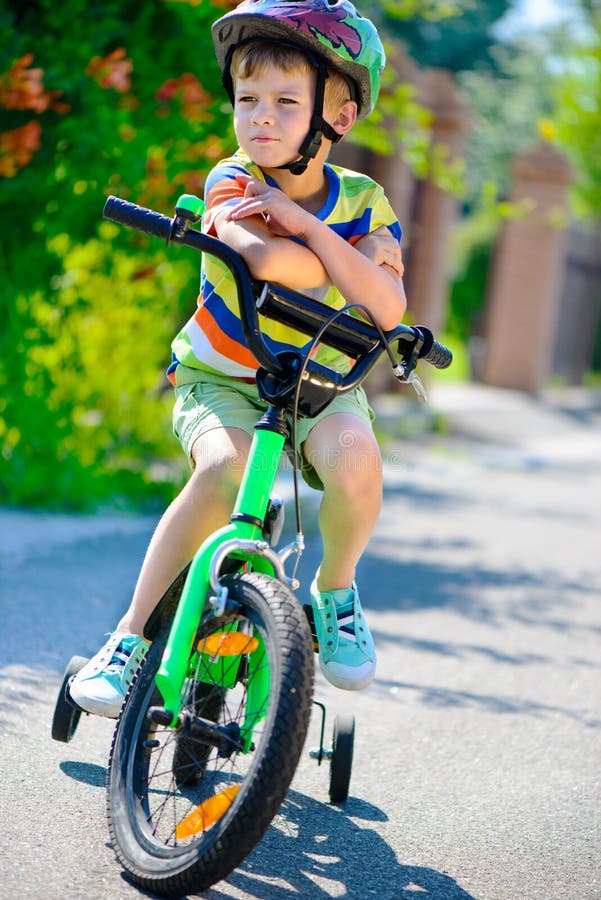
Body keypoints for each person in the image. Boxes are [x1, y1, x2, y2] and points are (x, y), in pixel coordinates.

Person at [70, 0, 406, 718]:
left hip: (321, 383)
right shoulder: (232, 179)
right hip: (222, 375)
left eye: (285, 101)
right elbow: (263, 259)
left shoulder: (369, 199)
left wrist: (307, 228)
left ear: (336, 120)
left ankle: (335, 590)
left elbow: (386, 309)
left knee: (357, 462)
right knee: (223, 472)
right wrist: (339, 253)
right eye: (247, 98)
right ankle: (129, 639)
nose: (260, 116)